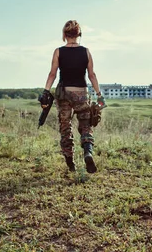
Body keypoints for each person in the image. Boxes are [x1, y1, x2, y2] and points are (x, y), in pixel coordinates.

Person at [40, 20, 105, 173]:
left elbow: (52, 74)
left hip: (64, 93)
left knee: (65, 127)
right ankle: (88, 152)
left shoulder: (58, 51)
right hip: (82, 92)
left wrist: (45, 91)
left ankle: (71, 164)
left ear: (64, 34)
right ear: (79, 34)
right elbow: (92, 75)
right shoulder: (86, 51)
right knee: (86, 124)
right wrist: (99, 95)